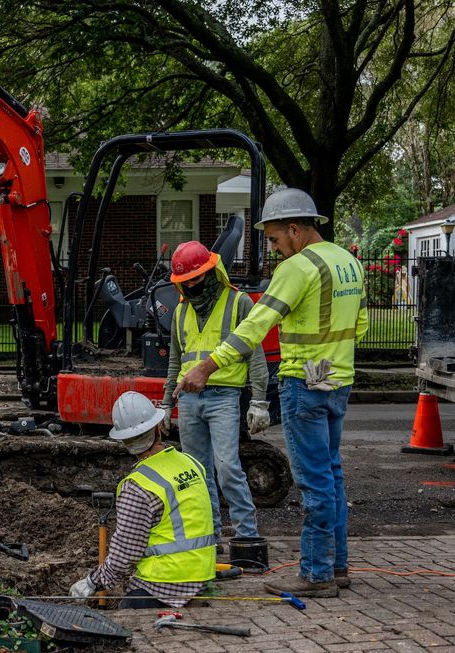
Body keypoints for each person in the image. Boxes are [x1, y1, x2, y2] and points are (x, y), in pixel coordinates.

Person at [174, 188, 368, 598]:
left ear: (295, 230)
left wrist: (207, 366)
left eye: (276, 239)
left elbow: (254, 328)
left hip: (304, 383)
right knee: (332, 475)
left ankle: (316, 575)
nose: (275, 248)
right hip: (338, 380)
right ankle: (338, 567)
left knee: (314, 483)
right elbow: (360, 326)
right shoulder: (349, 263)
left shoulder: (298, 268)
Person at [161, 241, 270, 548]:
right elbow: (175, 361)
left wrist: (259, 401)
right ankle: (209, 538)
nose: (192, 286)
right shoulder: (181, 311)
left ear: (210, 272)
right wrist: (167, 404)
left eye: (196, 279)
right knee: (197, 473)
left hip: (224, 396)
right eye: (185, 282)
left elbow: (255, 357)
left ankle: (246, 537)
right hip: (189, 399)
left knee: (227, 468)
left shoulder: (239, 303)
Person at [69, 391, 216, 608]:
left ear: (125, 442)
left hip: (165, 583)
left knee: (127, 614)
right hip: (203, 575)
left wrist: (92, 582)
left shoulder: (138, 486)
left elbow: (125, 555)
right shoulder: (191, 463)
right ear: (158, 428)